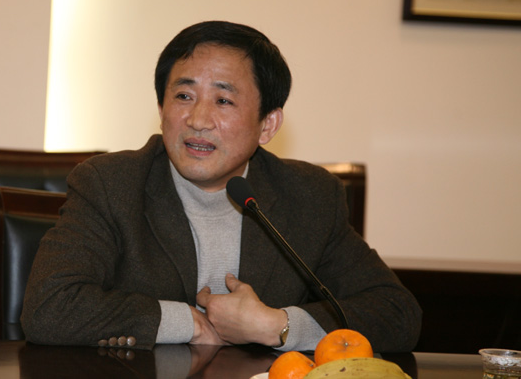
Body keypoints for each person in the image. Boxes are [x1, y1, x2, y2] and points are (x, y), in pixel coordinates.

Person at [21, 21, 421, 353]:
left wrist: (277, 326)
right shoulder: (110, 183)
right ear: (161, 109)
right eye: (183, 95)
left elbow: (397, 314)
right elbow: (48, 308)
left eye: (223, 101)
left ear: (268, 125)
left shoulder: (310, 196)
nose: (198, 119)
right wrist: (186, 322)